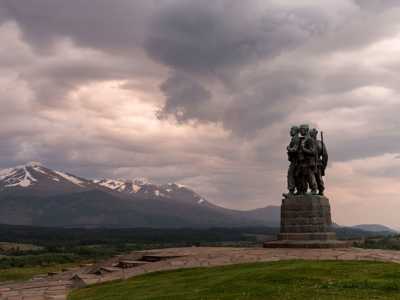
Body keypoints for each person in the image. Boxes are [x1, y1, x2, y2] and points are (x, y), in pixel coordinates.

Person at [297, 124, 318, 195]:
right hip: (302, 162)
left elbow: (313, 151)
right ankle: (303, 190)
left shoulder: (309, 139)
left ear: (306, 130)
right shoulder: (302, 139)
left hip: (309, 162)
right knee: (303, 177)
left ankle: (314, 189)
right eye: (300, 130)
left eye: (302, 129)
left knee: (310, 176)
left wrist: (304, 149)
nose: (300, 131)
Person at [310, 128, 328, 195]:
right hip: (315, 163)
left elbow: (325, 156)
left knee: (317, 177)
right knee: (315, 177)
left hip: (316, 163)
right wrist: (323, 165)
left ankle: (319, 190)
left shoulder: (320, 143)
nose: (311, 134)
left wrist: (323, 166)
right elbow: (325, 156)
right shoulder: (320, 143)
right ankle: (319, 190)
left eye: (311, 133)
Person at [286, 126, 300, 195]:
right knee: (296, 175)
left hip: (295, 161)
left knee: (290, 174)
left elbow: (295, 149)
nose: (290, 131)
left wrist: (288, 148)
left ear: (296, 131)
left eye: (292, 130)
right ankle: (298, 190)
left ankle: (291, 190)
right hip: (295, 161)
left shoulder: (295, 139)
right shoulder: (295, 139)